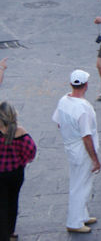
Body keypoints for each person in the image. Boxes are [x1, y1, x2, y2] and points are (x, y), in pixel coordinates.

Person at [52, 70, 101, 234]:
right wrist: (95, 159)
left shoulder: (63, 101)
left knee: (79, 181)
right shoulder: (83, 108)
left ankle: (82, 214)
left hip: (71, 147)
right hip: (81, 150)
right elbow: (86, 137)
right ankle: (74, 221)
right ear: (86, 85)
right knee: (81, 185)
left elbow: (59, 123)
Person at [0, 102, 36, 241]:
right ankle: (10, 231)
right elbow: (30, 152)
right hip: (15, 173)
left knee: (1, 203)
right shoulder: (20, 132)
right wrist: (21, 161)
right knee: (12, 201)